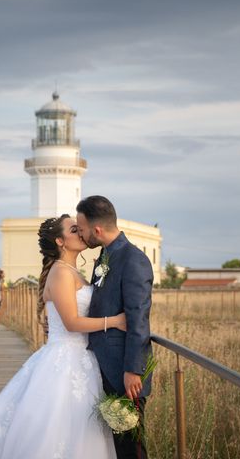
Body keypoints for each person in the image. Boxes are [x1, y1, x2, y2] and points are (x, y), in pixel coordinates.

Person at [0, 215, 125, 458]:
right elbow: (72, 322)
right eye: (74, 229)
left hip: (81, 359)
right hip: (66, 360)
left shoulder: (72, 271)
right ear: (60, 241)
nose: (81, 232)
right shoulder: (62, 272)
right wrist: (116, 321)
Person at [76, 195, 154, 459]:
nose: (81, 234)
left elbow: (138, 320)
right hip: (103, 366)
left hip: (123, 370)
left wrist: (133, 370)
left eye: (82, 228)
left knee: (132, 447)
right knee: (117, 447)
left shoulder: (133, 260)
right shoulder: (105, 256)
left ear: (97, 230)